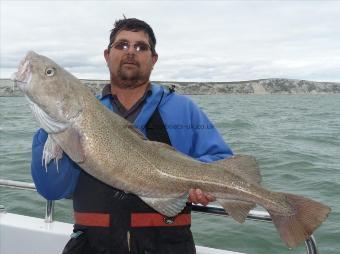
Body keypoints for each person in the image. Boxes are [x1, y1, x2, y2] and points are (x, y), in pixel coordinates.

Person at [31, 18, 233, 254]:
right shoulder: (80, 112)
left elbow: (221, 161)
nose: (130, 52)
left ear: (153, 59)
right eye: (122, 45)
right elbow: (53, 191)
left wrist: (200, 182)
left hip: (167, 245)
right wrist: (53, 132)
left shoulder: (183, 109)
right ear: (107, 55)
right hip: (92, 245)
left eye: (141, 47)